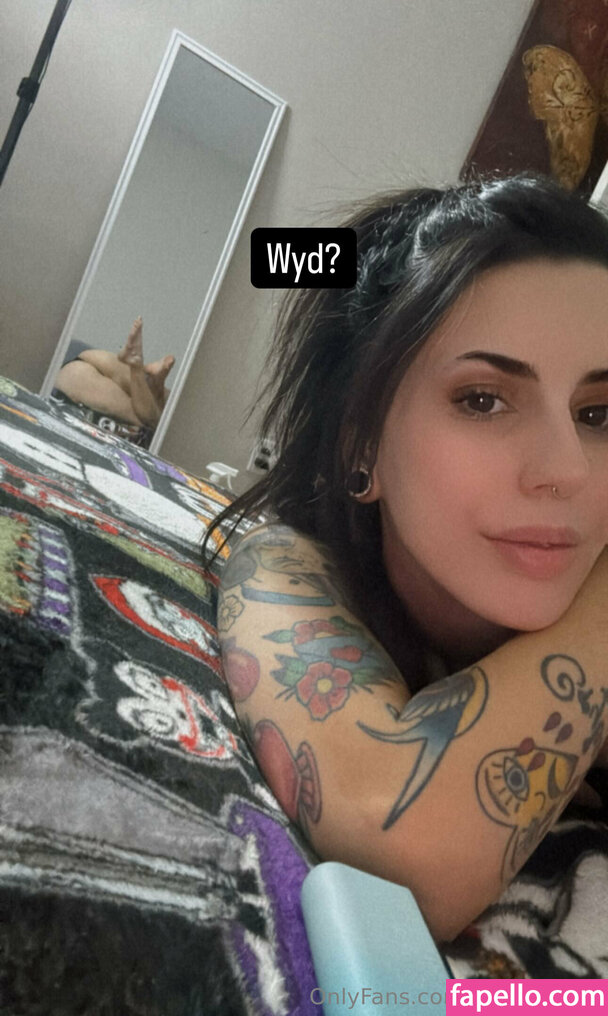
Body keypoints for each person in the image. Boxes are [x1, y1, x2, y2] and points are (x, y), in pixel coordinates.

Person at [205, 173, 608, 944]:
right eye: (483, 399)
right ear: (362, 444)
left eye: (599, 413)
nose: (569, 470)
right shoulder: (287, 566)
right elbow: (403, 843)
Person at [53, 316, 174, 442]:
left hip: (72, 370)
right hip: (75, 363)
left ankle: (145, 377)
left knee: (148, 418)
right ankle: (151, 383)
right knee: (156, 414)